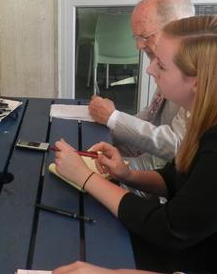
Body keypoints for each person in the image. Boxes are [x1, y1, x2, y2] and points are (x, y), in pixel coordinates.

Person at [54, 15, 217, 273]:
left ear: (196, 81)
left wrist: (84, 177)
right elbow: (175, 178)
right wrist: (127, 174)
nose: (150, 70)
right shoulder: (202, 119)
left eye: (161, 66)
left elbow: (169, 229)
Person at [89, 0, 195, 173]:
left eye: (144, 36)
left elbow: (177, 146)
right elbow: (153, 115)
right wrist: (109, 126)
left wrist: (113, 118)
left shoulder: (198, 75)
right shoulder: (169, 64)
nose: (138, 46)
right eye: (136, 37)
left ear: (176, 26)